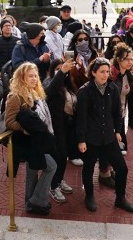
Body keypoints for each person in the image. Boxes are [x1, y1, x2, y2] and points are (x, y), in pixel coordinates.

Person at [76, 58, 133, 213]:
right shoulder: (85, 91)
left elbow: (117, 113)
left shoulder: (112, 88)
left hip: (109, 138)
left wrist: (118, 131)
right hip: (91, 139)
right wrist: (81, 139)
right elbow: (81, 118)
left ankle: (120, 199)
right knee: (88, 169)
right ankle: (89, 196)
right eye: (102, 72)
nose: (105, 75)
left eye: (107, 72)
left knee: (122, 169)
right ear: (93, 73)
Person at [5, 62, 57, 216]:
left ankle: (30, 202)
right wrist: (25, 129)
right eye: (30, 76)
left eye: (35, 76)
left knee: (33, 170)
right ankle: (38, 200)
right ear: (22, 78)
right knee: (51, 166)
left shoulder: (35, 93)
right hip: (27, 141)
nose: (34, 79)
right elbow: (9, 121)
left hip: (37, 141)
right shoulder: (15, 96)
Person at [42, 59, 77, 203]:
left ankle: (59, 180)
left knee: (64, 155)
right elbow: (48, 93)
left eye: (63, 67)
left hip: (68, 125)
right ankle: (53, 185)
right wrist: (61, 73)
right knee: (59, 155)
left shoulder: (68, 84)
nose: (61, 70)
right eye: (57, 68)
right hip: (55, 126)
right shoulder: (49, 82)